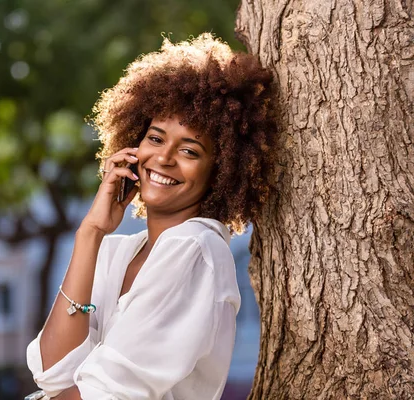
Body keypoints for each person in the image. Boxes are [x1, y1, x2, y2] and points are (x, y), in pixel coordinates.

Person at [26, 33, 277, 400]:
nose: (163, 158)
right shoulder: (119, 253)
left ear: (221, 171)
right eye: (156, 139)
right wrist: (91, 232)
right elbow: (54, 372)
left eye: (189, 150)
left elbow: (112, 392)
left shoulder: (196, 249)